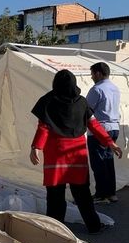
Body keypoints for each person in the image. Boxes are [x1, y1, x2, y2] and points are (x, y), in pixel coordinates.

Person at [30, 70, 123, 234]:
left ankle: (55, 231)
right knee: (83, 195)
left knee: (55, 197)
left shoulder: (48, 101)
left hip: (56, 154)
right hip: (77, 155)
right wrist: (110, 143)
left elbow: (43, 128)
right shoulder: (82, 102)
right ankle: (93, 226)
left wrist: (36, 148)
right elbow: (94, 125)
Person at [86, 62, 121, 204]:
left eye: (93, 73)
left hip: (100, 129)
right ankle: (111, 193)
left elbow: (87, 109)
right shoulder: (115, 88)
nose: (91, 76)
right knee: (108, 161)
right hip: (114, 127)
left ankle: (101, 194)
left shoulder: (96, 89)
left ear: (98, 73)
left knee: (98, 162)